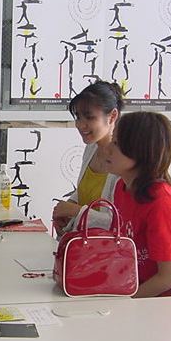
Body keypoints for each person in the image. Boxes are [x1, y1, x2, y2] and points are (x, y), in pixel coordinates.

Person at [105, 111, 171, 297]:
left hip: (170, 301)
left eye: (116, 143)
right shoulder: (121, 187)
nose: (107, 149)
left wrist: (124, 301)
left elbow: (168, 278)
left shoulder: (162, 204)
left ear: (140, 151)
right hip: (136, 288)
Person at [52, 81, 123, 234]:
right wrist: (68, 206)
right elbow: (84, 191)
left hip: (105, 247)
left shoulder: (124, 162)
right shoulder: (92, 148)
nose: (81, 125)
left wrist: (76, 211)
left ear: (112, 116)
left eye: (89, 118)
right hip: (83, 243)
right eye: (78, 117)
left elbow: (120, 223)